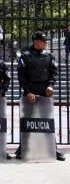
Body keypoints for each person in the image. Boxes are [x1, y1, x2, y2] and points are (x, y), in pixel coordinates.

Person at [16, 31, 65, 161]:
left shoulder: (49, 55)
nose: (43, 43)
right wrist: (28, 92)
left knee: (47, 121)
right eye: (41, 41)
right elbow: (21, 77)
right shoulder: (24, 56)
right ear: (35, 41)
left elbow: (53, 72)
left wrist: (51, 85)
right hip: (30, 92)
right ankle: (23, 148)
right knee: (28, 121)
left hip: (45, 92)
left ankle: (52, 149)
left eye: (44, 41)